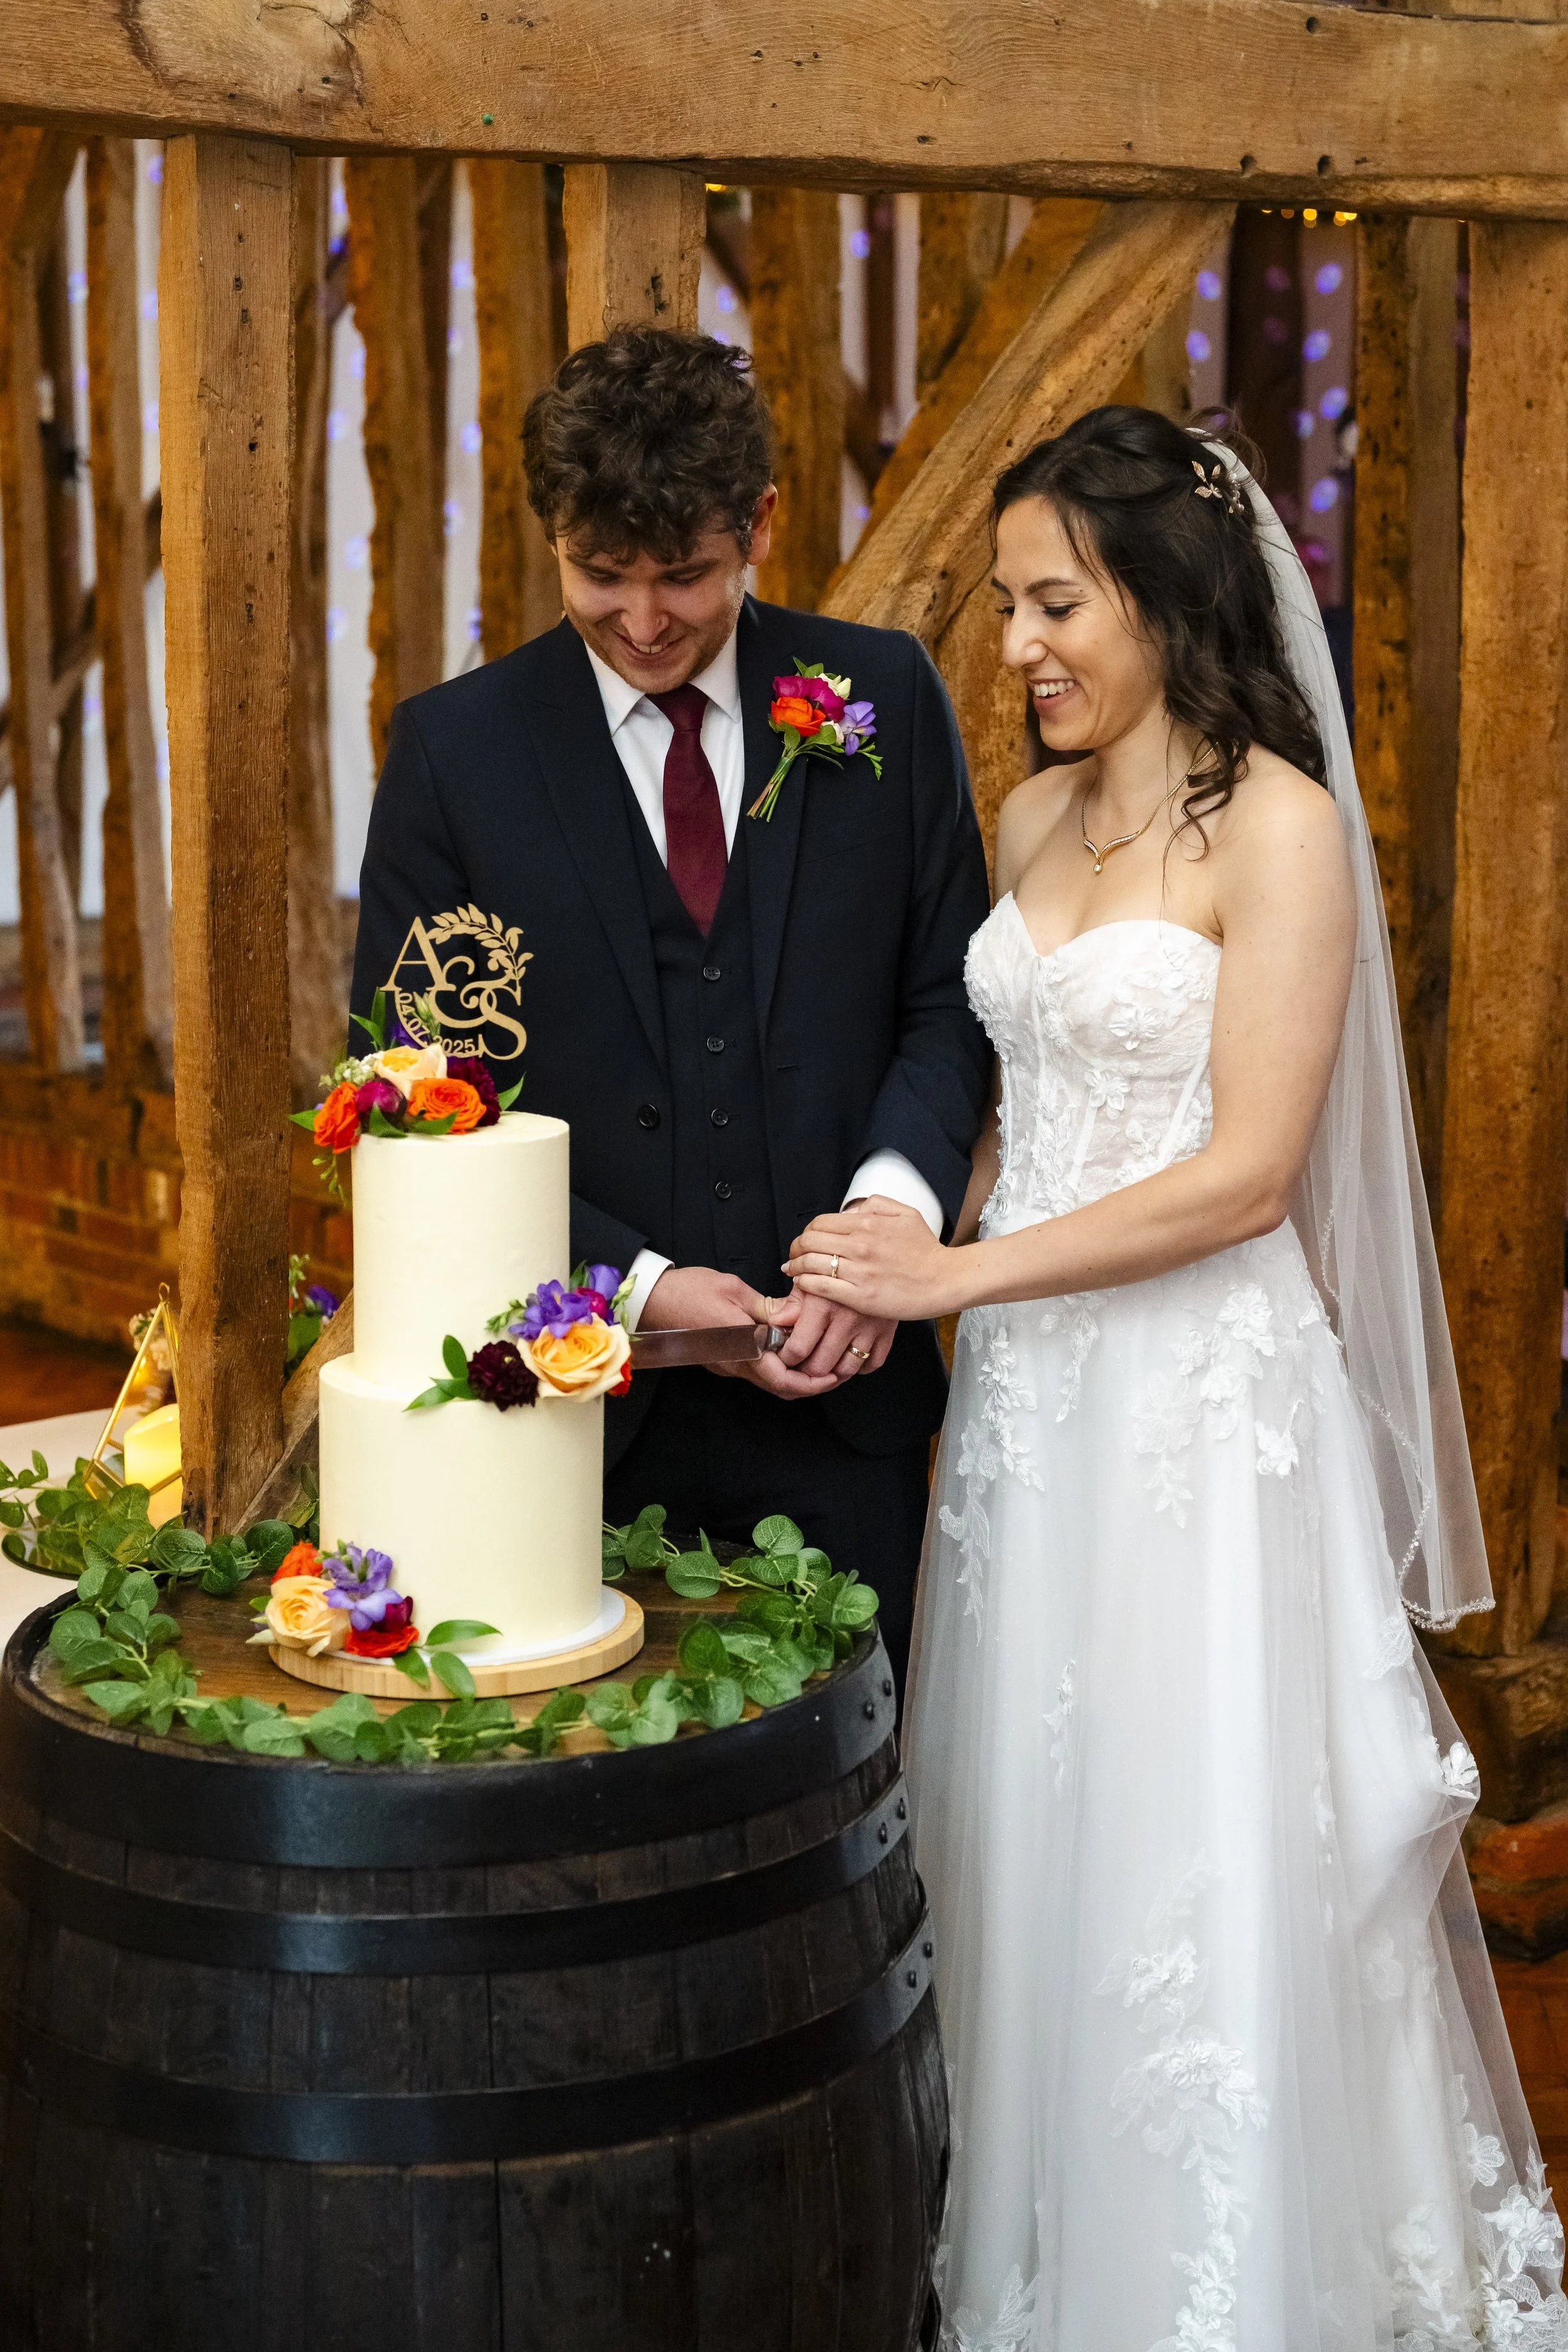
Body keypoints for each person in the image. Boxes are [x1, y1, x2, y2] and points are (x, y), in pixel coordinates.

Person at [785, 406, 1567, 2345]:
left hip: (1196, 1423)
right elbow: (1019, 1103)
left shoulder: (1278, 826)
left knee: (1188, 1856)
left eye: (1056, 601)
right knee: (1026, 1838)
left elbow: (1238, 1176)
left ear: (1161, 592)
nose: (1019, 644)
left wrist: (956, 1271)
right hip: (1032, 1430)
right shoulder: (1038, 817)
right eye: (1003, 607)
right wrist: (875, 1255)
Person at [348, 326, 992, 1696]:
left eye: (685, 576)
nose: (643, 622)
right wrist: (635, 1294)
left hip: (849, 1411)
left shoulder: (883, 699)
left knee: (850, 1808)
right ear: (550, 537)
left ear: (757, 524)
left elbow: (949, 1000)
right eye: (601, 575)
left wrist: (889, 1221)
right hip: (570, 1432)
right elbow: (410, 1088)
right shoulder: (454, 757)